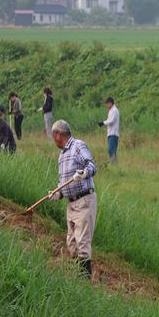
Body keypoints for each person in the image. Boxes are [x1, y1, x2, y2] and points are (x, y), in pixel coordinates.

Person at [47, 120, 98, 279]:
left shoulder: (78, 146)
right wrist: (58, 193)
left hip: (84, 201)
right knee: (72, 244)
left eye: (53, 136)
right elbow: (63, 182)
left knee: (82, 242)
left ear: (58, 134)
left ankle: (85, 281)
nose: (53, 139)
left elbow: (91, 166)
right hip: (71, 204)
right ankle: (79, 276)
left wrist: (83, 173)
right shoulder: (61, 156)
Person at [98, 97, 120, 165]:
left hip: (113, 133)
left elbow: (111, 120)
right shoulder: (111, 110)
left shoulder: (114, 110)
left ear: (110, 103)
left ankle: (114, 164)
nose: (106, 106)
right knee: (111, 150)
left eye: (107, 104)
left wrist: (103, 123)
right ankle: (114, 164)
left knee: (111, 150)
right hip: (110, 133)